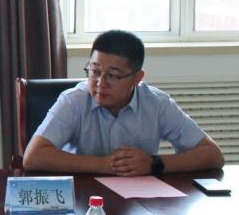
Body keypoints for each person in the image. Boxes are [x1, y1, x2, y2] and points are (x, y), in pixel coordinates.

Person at [23, 29, 224, 176]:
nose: (101, 83)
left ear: (137, 78)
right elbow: (33, 157)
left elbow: (212, 155)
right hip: (83, 197)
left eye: (113, 75)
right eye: (95, 71)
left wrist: (154, 164)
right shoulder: (73, 101)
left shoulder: (157, 104)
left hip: (140, 199)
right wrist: (106, 165)